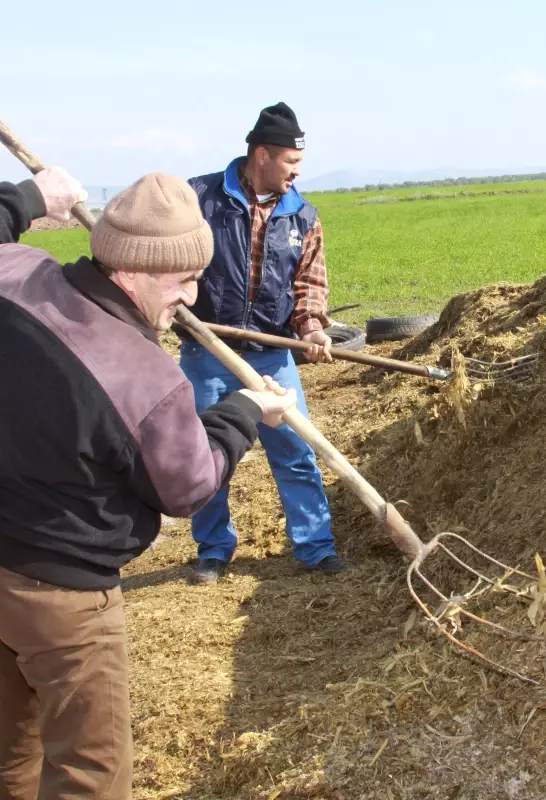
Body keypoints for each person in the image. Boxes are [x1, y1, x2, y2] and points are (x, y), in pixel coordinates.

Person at [0, 167, 296, 799]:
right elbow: (189, 485)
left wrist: (29, 198)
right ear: (133, 271)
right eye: (184, 280)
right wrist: (248, 410)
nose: (192, 298)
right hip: (59, 596)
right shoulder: (144, 378)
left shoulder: (10, 279)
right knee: (89, 774)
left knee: (15, 751)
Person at [181, 102, 343, 583]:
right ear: (261, 156)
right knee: (209, 454)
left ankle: (316, 548)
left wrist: (312, 329)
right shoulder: (198, 199)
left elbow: (309, 288)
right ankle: (213, 549)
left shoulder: (302, 216)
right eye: (290, 165)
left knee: (295, 451)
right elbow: (174, 262)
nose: (296, 175)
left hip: (274, 356)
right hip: (208, 351)